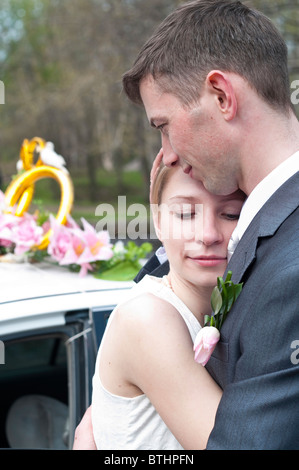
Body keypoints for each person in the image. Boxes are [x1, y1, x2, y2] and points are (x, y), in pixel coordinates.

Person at [122, 0, 299, 449]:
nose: (169, 155)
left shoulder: (291, 270)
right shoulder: (264, 215)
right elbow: (171, 269)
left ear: (221, 96)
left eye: (163, 125)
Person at [74, 161, 245, 450]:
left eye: (231, 214)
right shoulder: (147, 318)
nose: (208, 234)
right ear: (157, 221)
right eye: (185, 213)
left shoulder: (230, 309)